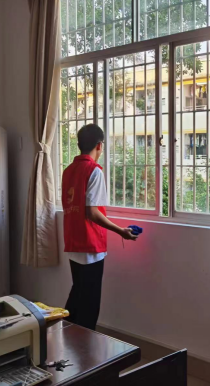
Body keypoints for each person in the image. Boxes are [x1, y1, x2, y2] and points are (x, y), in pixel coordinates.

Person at [62, 123, 138, 330]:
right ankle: (84, 345)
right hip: (90, 243)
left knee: (78, 295)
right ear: (99, 145)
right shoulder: (94, 171)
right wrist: (121, 231)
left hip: (73, 241)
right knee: (89, 303)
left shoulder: (68, 171)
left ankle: (65, 338)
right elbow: (92, 212)